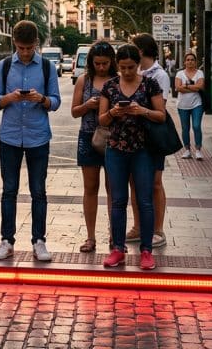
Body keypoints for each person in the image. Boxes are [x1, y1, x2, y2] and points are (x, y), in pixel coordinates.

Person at [0, 21, 60, 262]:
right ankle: (6, 241)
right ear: (14, 44)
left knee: (38, 191)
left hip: (38, 136)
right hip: (9, 136)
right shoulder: (4, 66)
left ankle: (39, 241)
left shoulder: (48, 67)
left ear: (36, 44)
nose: (26, 52)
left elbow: (56, 101)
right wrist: (10, 97)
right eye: (21, 48)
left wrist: (42, 99)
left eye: (29, 48)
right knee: (9, 190)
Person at [98, 44, 166, 270]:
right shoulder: (109, 86)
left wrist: (142, 110)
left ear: (138, 65)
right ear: (117, 65)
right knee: (118, 201)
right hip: (116, 148)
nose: (127, 72)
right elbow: (102, 120)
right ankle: (118, 249)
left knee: (144, 201)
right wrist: (112, 113)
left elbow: (161, 116)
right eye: (123, 67)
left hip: (143, 149)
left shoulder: (150, 84)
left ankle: (146, 250)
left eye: (131, 67)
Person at [70, 40, 116, 253]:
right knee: (90, 188)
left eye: (105, 63)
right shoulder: (84, 81)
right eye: (97, 63)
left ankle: (114, 235)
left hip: (113, 138)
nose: (101, 67)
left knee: (113, 189)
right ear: (91, 62)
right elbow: (74, 111)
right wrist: (88, 105)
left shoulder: (117, 80)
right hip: (88, 137)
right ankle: (90, 237)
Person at [128, 33, 170, 249]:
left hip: (152, 133)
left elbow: (159, 107)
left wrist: (139, 108)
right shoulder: (134, 71)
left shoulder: (159, 75)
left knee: (155, 182)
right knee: (134, 182)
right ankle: (137, 226)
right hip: (134, 133)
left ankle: (158, 228)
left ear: (142, 51)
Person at [175, 52, 205, 160]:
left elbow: (199, 87)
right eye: (188, 60)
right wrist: (193, 86)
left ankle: (198, 150)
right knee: (185, 128)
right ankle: (187, 150)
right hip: (182, 105)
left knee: (196, 126)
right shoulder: (180, 74)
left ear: (195, 62)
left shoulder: (200, 73)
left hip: (197, 104)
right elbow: (178, 88)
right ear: (184, 62)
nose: (190, 61)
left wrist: (186, 86)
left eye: (192, 60)